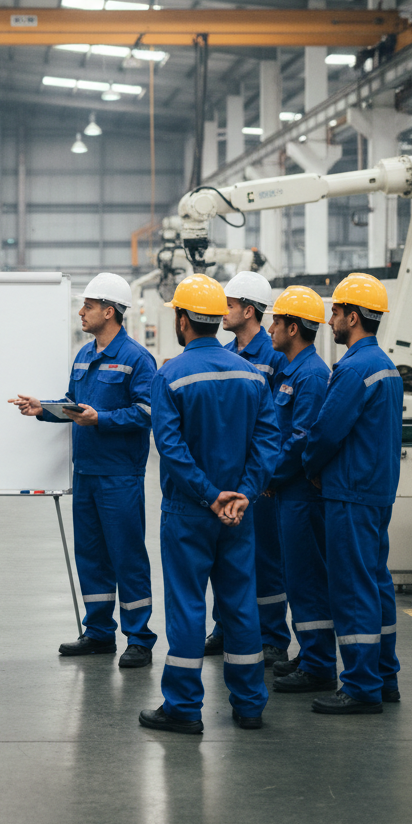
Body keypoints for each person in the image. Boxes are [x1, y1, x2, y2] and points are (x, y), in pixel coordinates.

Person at [139, 274, 281, 734]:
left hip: (189, 512)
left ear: (182, 319)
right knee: (240, 605)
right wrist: (244, 491)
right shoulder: (251, 373)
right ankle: (250, 704)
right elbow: (268, 439)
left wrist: (209, 494)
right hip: (240, 512)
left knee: (186, 607)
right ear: (217, 318)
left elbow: (171, 447)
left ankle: (183, 707)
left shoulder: (170, 375)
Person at [10, 273, 157, 667]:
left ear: (109, 312)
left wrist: (102, 419)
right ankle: (98, 632)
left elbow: (147, 412)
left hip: (120, 475)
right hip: (87, 472)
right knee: (90, 555)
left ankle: (139, 638)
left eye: (88, 306)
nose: (81, 312)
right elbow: (75, 404)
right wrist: (44, 408)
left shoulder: (137, 359)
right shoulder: (84, 355)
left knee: (126, 555)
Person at [302, 274, 403, 715]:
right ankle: (384, 677)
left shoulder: (354, 368)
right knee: (377, 583)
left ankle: (361, 685)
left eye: (337, 312)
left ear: (354, 316)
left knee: (353, 589)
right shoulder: (386, 365)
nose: (331, 320)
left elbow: (326, 431)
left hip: (350, 492)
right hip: (376, 491)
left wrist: (309, 468)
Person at [205, 271, 290, 667]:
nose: (221, 312)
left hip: (259, 480)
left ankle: (273, 637)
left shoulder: (273, 357)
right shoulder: (226, 352)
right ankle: (226, 628)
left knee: (266, 560)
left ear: (248, 310)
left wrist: (264, 475)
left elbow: (271, 426)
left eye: (229, 305)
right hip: (227, 474)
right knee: (226, 559)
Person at [265, 286, 337, 695]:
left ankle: (320, 664)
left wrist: (268, 477)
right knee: (296, 577)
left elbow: (302, 439)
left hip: (300, 496)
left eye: (277, 321)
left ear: (293, 328)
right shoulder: (291, 371)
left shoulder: (311, 375)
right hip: (287, 492)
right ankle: (310, 652)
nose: (271, 327)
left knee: (307, 578)